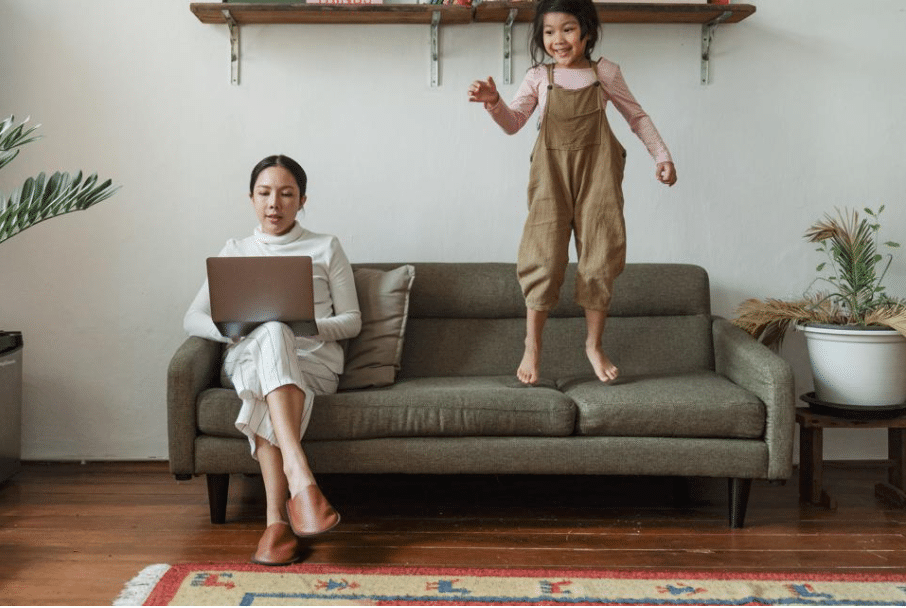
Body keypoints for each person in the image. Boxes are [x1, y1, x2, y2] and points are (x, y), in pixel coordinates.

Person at [468, 0, 677, 386]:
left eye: (567, 29)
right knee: (543, 260)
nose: (557, 39)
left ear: (586, 32)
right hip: (550, 179)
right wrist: (495, 103)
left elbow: (637, 116)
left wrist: (661, 156)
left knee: (599, 259)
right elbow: (514, 124)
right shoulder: (537, 77)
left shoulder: (605, 73)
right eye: (549, 32)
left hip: (598, 177)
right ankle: (532, 344)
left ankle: (593, 345)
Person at [183, 155, 361, 566]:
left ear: (302, 200)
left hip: (312, 360)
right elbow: (191, 317)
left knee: (277, 336)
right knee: (270, 332)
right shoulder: (235, 250)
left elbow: (352, 321)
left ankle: (275, 522)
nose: (274, 204)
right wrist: (232, 330)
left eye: (286, 194)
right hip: (248, 356)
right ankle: (300, 478)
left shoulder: (326, 246)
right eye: (264, 194)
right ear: (251, 199)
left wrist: (305, 326)